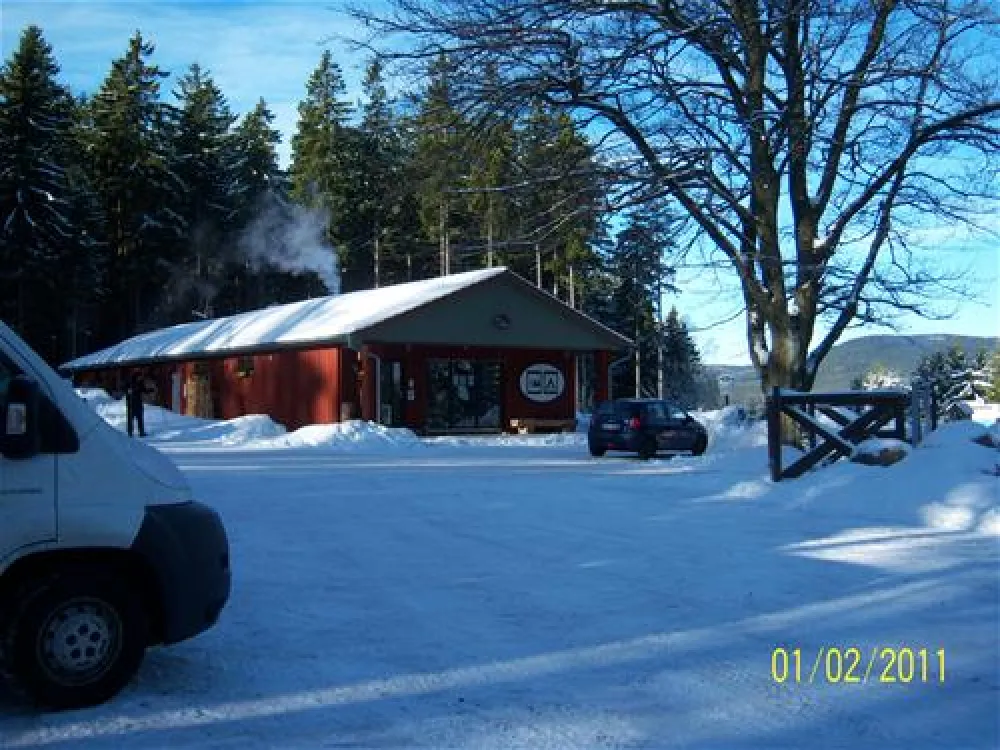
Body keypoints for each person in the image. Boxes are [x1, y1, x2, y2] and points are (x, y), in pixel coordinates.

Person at [125, 370, 147, 437]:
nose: (141, 378)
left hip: (138, 404)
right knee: (130, 419)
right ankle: (130, 433)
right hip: (131, 404)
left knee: (140, 418)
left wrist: (149, 390)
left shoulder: (140, 383)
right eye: (140, 377)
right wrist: (128, 391)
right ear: (136, 376)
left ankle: (141, 432)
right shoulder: (130, 383)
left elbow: (143, 390)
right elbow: (125, 390)